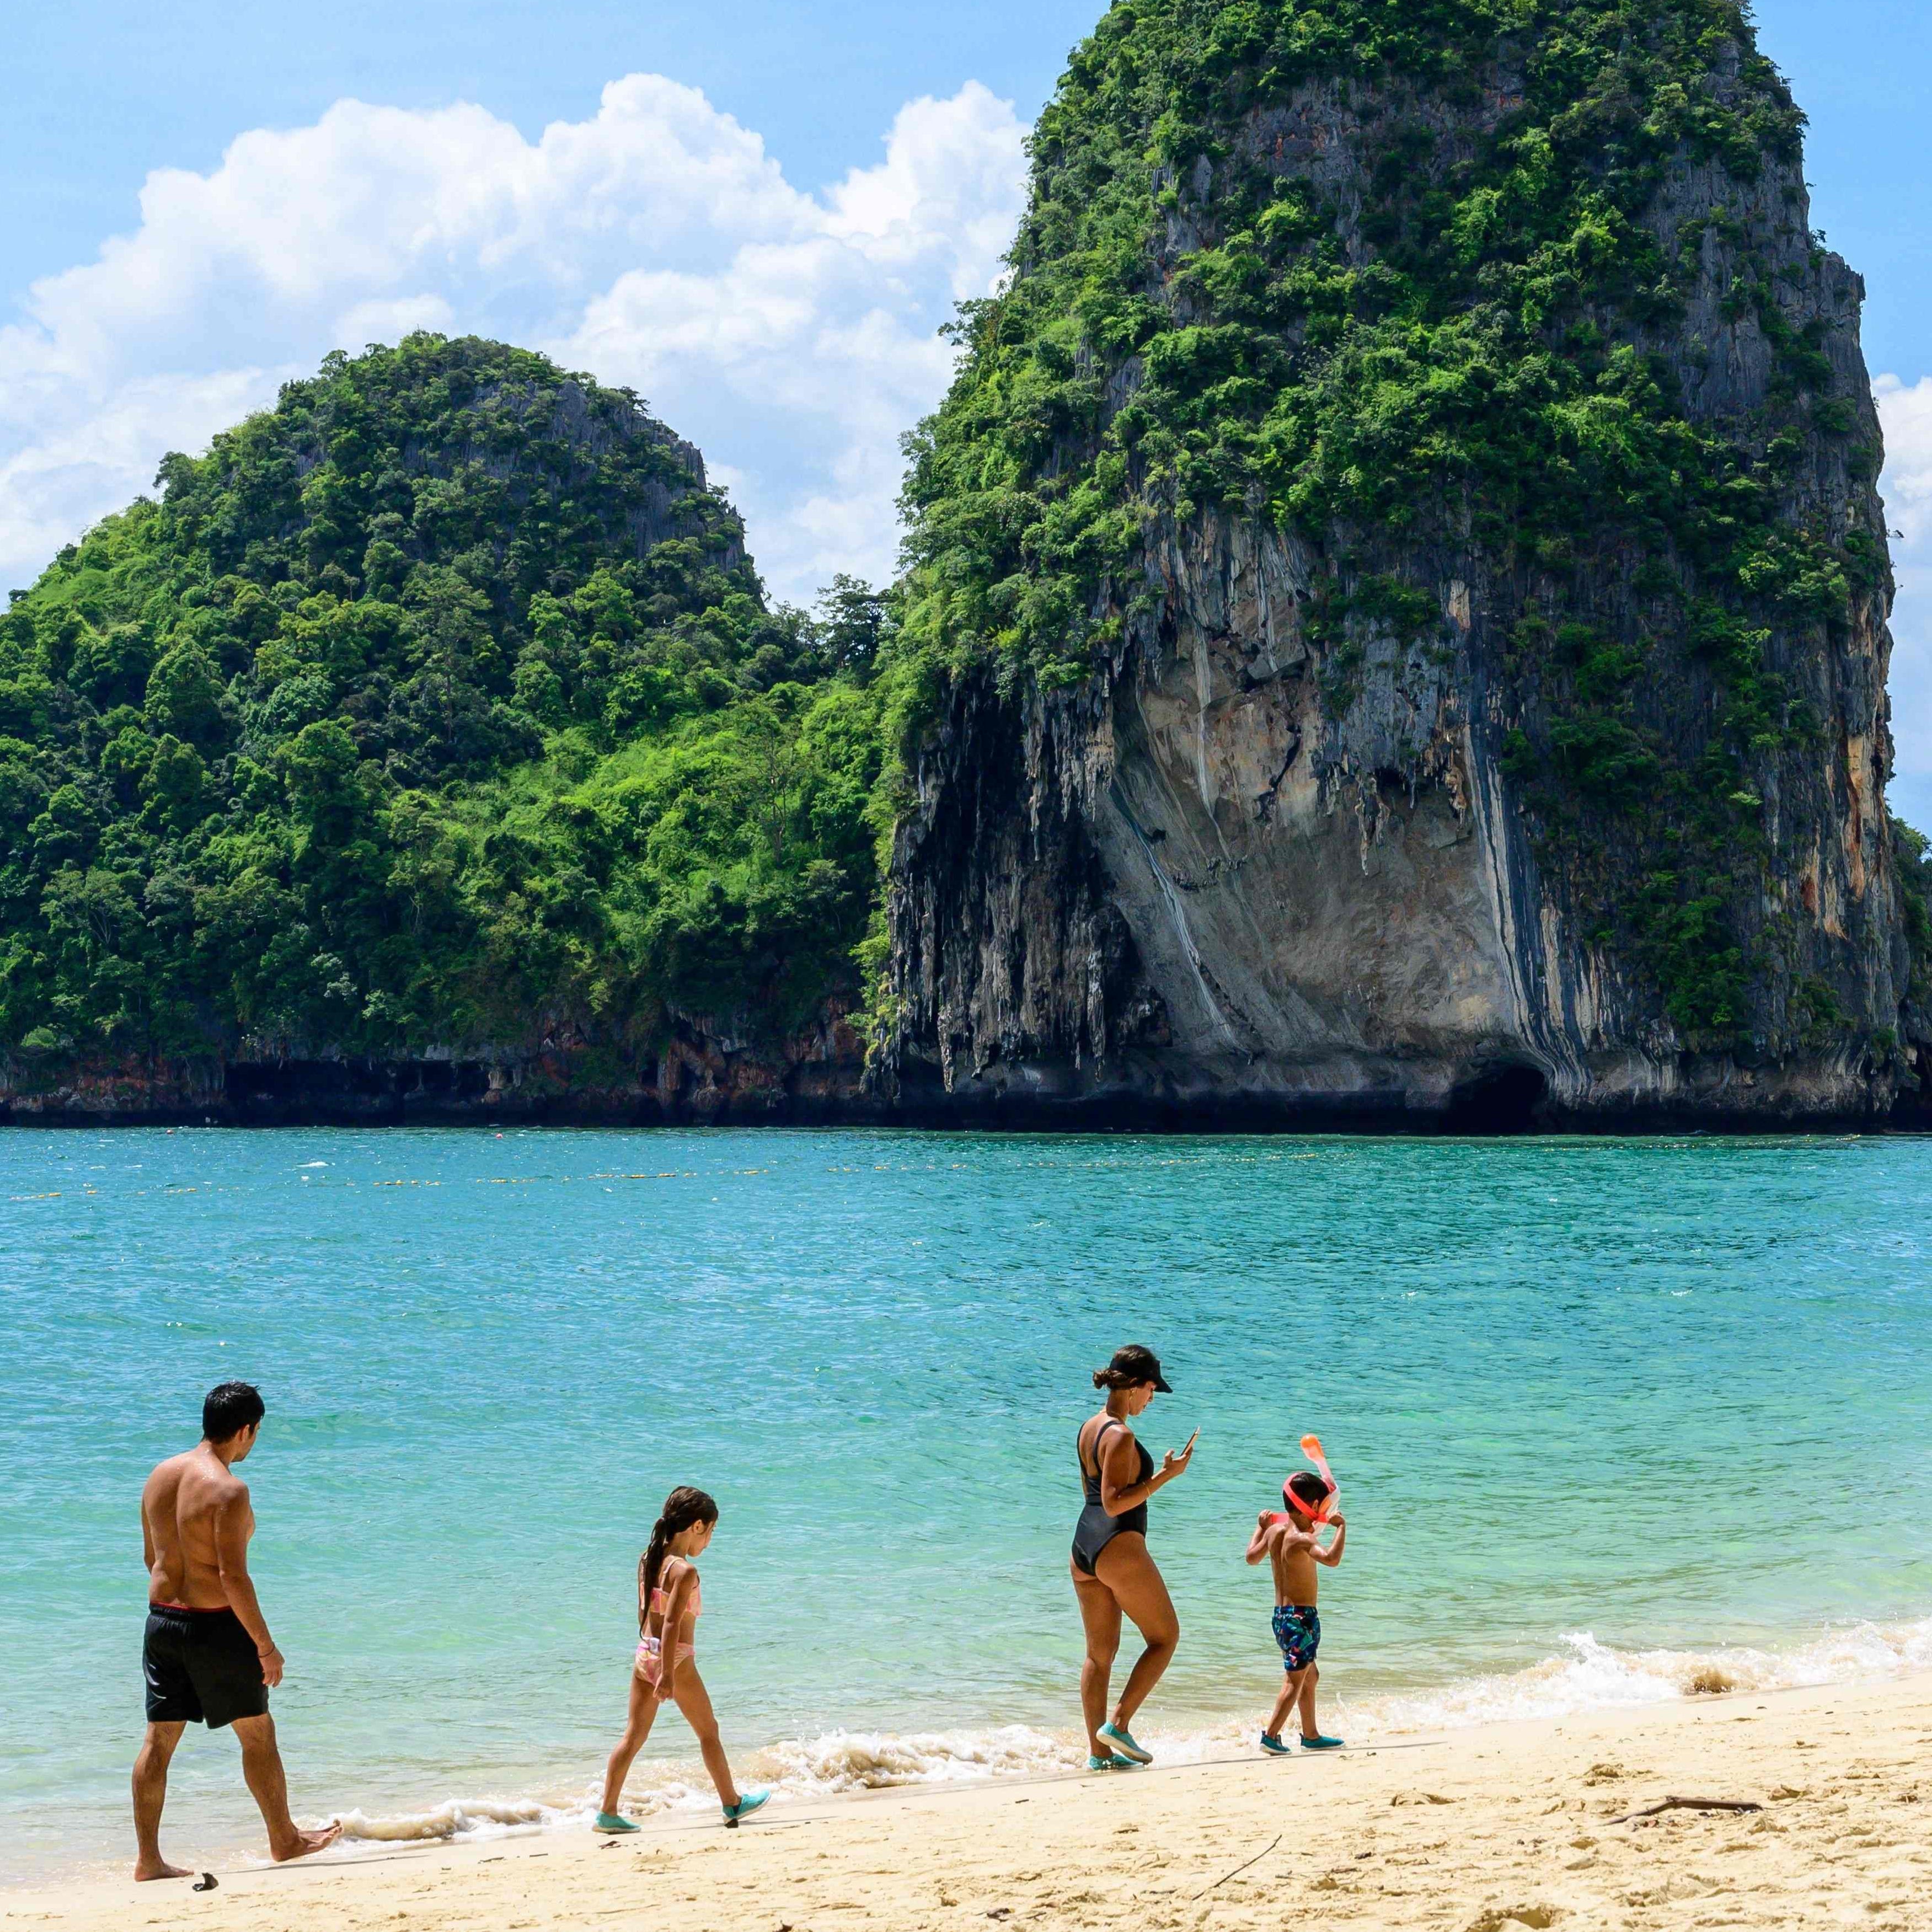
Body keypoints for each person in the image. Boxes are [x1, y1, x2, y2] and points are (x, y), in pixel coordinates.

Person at [133, 1381, 340, 1880]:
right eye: (256, 1434)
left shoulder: (161, 1474)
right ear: (246, 1430)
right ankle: (284, 1839)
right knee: (258, 1734)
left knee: (158, 1742)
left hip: (162, 1621)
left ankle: (149, 1861)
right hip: (215, 1627)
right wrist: (265, 1647)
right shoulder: (228, 1489)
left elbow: (151, 1558)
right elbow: (233, 1577)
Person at [596, 1486, 770, 1830]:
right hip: (675, 1660)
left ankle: (608, 1812)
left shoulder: (649, 1559)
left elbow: (645, 1613)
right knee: (709, 1731)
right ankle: (732, 1803)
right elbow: (674, 1622)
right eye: (711, 1533)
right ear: (697, 1526)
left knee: (633, 1736)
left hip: (646, 1652)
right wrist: (668, 1674)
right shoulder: (685, 1572)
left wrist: (652, 1658)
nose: (708, 1542)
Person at [1070, 1344, 1196, 1771]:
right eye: (1151, 1390)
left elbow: (1095, 1496)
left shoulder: (1091, 1426)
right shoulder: (1121, 1434)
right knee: (1165, 1637)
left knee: (1097, 1655)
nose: (1152, 1398)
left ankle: (1098, 1755)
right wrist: (1166, 1476)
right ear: (1135, 1386)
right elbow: (1112, 1503)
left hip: (1083, 1547)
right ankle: (1119, 1724)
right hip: (1117, 1543)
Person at [1245, 1469, 1347, 1754]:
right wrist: (1341, 1528)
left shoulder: (1275, 1532)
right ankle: (1271, 1736)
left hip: (1281, 1618)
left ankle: (1311, 1735)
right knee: (1294, 1680)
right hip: (1302, 1619)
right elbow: (1332, 1559)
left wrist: (1260, 1526)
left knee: (1309, 1676)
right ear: (1314, 1507)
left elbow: (1251, 1558)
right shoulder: (1304, 1539)